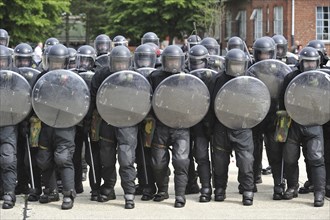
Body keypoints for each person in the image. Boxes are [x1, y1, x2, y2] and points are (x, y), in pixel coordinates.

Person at [84, 45, 137, 209]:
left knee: (126, 158)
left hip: (127, 122)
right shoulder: (101, 75)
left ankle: (129, 193)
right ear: (111, 62)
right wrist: (87, 120)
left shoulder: (135, 76)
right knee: (106, 158)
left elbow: (142, 100)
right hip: (105, 120)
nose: (120, 66)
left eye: (123, 62)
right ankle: (108, 188)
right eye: (117, 62)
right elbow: (92, 98)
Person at [205, 48, 254, 206]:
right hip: (221, 125)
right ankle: (219, 189)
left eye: (239, 65)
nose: (236, 68)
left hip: (243, 126)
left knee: (246, 160)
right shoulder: (217, 79)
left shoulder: (251, 80)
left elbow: (258, 104)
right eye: (234, 65)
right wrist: (210, 128)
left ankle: (247, 190)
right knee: (219, 161)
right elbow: (210, 104)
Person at [279, 46, 326, 207]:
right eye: (307, 62)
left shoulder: (323, 78)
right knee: (290, 157)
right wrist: (282, 127)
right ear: (301, 62)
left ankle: (319, 192)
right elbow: (282, 101)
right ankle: (292, 187)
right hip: (294, 123)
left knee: (316, 158)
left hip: (314, 123)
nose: (310, 66)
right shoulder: (291, 77)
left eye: (313, 62)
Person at [147, 45, 190, 208]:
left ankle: (180, 195)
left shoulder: (188, 77)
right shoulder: (155, 76)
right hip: (160, 125)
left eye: (175, 60)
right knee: (158, 163)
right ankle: (162, 190)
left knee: (181, 161)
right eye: (169, 60)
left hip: (181, 126)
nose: (172, 64)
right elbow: (148, 98)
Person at [36, 43, 77, 210]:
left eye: (59, 63)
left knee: (63, 158)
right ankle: (51, 191)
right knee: (44, 160)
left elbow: (81, 102)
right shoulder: (41, 78)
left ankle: (68, 194)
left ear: (65, 63)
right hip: (46, 124)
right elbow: (32, 98)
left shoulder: (74, 81)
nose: (56, 66)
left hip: (65, 125)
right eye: (53, 62)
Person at [297, 40, 330, 196]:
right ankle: (313, 182)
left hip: (326, 121)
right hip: (309, 120)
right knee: (310, 155)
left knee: (324, 156)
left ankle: (325, 185)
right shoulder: (297, 77)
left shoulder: (326, 75)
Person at [186, 44, 213, 202]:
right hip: (188, 121)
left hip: (204, 124)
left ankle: (206, 187)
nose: (197, 65)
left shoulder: (213, 77)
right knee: (185, 156)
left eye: (200, 62)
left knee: (202, 156)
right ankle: (191, 183)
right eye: (194, 62)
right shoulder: (184, 77)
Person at [0, 45, 20, 209]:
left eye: (2, 60)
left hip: (9, 122)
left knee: (8, 159)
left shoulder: (15, 76)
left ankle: (9, 193)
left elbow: (23, 98)